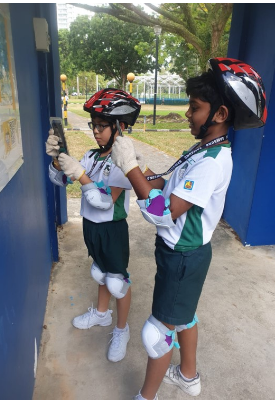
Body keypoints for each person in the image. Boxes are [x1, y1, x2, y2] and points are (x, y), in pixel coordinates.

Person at [108, 58, 267, 400]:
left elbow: (164, 212)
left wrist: (132, 169)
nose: (187, 114)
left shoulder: (212, 162)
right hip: (188, 254)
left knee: (157, 333)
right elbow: (167, 185)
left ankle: (144, 397)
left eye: (194, 107)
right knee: (184, 316)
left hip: (181, 256)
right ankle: (188, 376)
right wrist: (134, 165)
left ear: (220, 114)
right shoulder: (203, 149)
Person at [48, 88, 141, 363]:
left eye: (102, 126)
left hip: (112, 230)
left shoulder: (123, 161)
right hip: (92, 229)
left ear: (119, 127)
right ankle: (101, 315)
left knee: (117, 282)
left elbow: (105, 202)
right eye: (94, 125)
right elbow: (60, 182)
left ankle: (122, 329)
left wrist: (81, 176)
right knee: (101, 273)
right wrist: (57, 160)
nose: (96, 131)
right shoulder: (91, 155)